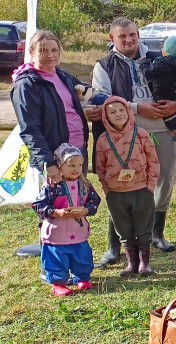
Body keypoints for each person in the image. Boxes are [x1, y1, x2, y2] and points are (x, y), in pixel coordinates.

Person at [90, 17, 176, 261]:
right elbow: (100, 98)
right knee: (121, 185)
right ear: (112, 38)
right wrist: (137, 108)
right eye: (122, 36)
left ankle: (156, 234)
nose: (128, 39)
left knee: (165, 179)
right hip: (126, 134)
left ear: (139, 35)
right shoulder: (104, 65)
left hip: (163, 129)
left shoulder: (160, 57)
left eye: (132, 34)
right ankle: (115, 246)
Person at [11, 30, 90, 259]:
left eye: (54, 50)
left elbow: (82, 95)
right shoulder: (27, 85)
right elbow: (30, 129)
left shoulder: (63, 76)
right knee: (54, 211)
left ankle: (75, 254)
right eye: (43, 50)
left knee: (75, 203)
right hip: (55, 159)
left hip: (77, 153)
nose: (49, 55)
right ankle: (53, 265)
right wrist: (48, 163)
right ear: (32, 52)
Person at [94, 97, 160, 277]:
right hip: (116, 193)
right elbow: (100, 167)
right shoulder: (103, 139)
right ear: (105, 117)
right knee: (124, 230)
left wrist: (150, 186)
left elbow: (153, 161)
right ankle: (132, 263)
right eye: (113, 112)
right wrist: (107, 190)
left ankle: (144, 263)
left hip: (141, 190)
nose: (118, 114)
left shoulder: (141, 134)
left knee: (143, 229)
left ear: (128, 111)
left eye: (121, 110)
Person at [32, 144, 100, 297]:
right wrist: (56, 212)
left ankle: (82, 277)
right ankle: (58, 283)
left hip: (78, 231)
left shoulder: (85, 184)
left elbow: (95, 200)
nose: (76, 169)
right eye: (71, 165)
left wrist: (86, 210)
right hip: (57, 233)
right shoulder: (52, 186)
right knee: (57, 258)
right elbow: (38, 205)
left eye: (80, 165)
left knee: (82, 256)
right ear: (59, 166)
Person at [136, 35, 176, 157]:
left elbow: (148, 73)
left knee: (169, 118)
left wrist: (143, 63)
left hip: (164, 95)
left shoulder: (162, 64)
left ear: (166, 50)